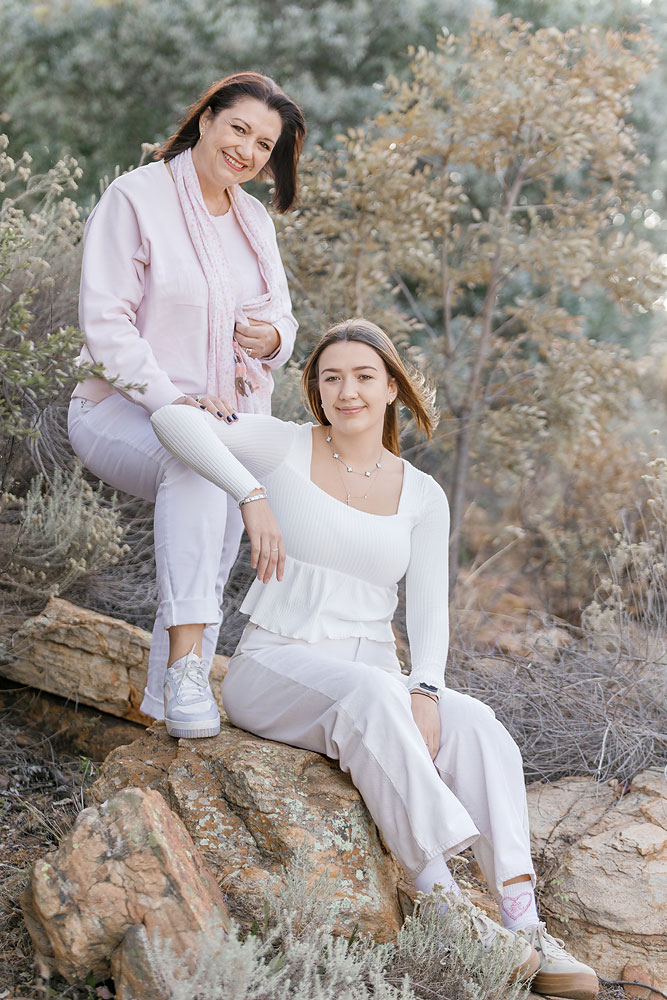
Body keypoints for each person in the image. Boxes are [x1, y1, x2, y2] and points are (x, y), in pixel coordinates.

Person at [149, 317, 600, 1000]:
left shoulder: (422, 493)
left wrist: (426, 690)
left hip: (376, 675)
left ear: (392, 388)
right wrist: (251, 495)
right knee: (373, 697)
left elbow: (429, 611)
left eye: (363, 376)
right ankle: (443, 904)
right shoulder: (283, 445)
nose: (347, 391)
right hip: (274, 667)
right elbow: (170, 422)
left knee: (478, 726)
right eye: (330, 378)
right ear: (315, 390)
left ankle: (522, 920)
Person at [68, 72, 306, 733]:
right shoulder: (136, 198)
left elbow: (282, 321)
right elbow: (107, 326)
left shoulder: (253, 221)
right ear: (206, 120)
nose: (247, 151)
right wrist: (175, 402)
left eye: (263, 144)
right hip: (119, 410)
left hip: (228, 416)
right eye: (238, 129)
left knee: (234, 487)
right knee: (199, 464)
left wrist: (272, 339)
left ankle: (169, 698)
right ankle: (186, 671)